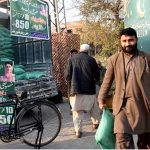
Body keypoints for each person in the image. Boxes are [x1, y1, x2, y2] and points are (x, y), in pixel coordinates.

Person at [98, 27, 150, 149]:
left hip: (143, 105)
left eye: (130, 40)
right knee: (122, 139)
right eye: (124, 41)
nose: (127, 44)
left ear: (136, 40)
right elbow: (107, 81)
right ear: (120, 42)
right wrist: (101, 99)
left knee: (145, 142)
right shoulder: (114, 59)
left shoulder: (146, 58)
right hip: (122, 106)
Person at [65, 44, 100, 138]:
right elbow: (97, 76)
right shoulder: (91, 60)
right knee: (93, 108)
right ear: (88, 51)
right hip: (89, 89)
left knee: (77, 112)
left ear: (79, 50)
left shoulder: (71, 59)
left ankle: (78, 131)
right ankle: (96, 124)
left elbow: (67, 76)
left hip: (75, 90)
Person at [67, 49, 78, 114]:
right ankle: (71, 108)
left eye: (76, 53)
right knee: (71, 95)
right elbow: (67, 72)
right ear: (71, 54)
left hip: (77, 80)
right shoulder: (69, 60)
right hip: (71, 81)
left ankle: (77, 108)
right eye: (73, 53)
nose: (74, 54)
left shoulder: (78, 60)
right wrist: (68, 79)